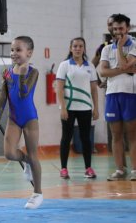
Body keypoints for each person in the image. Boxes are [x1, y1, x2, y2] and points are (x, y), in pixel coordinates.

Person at [0, 36, 43, 209]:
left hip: (29, 118)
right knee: (10, 154)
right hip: (14, 118)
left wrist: (20, 74)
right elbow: (2, 95)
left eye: (18, 50)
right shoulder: (7, 72)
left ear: (29, 53)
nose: (13, 53)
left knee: (34, 155)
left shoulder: (33, 72)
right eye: (12, 50)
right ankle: (27, 161)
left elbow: (23, 94)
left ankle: (37, 193)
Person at [100, 13, 136, 181]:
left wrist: (121, 47)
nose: (118, 32)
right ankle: (120, 170)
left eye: (121, 28)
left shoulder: (135, 45)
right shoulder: (106, 49)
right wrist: (127, 69)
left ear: (127, 28)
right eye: (115, 29)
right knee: (116, 135)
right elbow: (103, 71)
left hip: (131, 94)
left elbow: (123, 64)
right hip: (112, 95)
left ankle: (135, 170)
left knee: (132, 135)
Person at [56, 37, 99, 179]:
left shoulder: (90, 66)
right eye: (75, 46)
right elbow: (60, 89)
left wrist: (96, 108)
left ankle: (88, 168)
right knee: (66, 137)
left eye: (81, 46)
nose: (78, 48)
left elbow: (94, 90)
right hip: (68, 107)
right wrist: (62, 107)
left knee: (86, 138)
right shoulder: (64, 65)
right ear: (70, 48)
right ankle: (63, 169)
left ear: (84, 48)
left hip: (85, 107)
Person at [92, 15, 129, 163]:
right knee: (116, 132)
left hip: (130, 92)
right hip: (113, 92)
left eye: (113, 24)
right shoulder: (104, 47)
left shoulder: (131, 44)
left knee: (131, 131)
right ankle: (121, 164)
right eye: (109, 25)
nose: (111, 27)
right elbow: (92, 65)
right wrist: (101, 81)